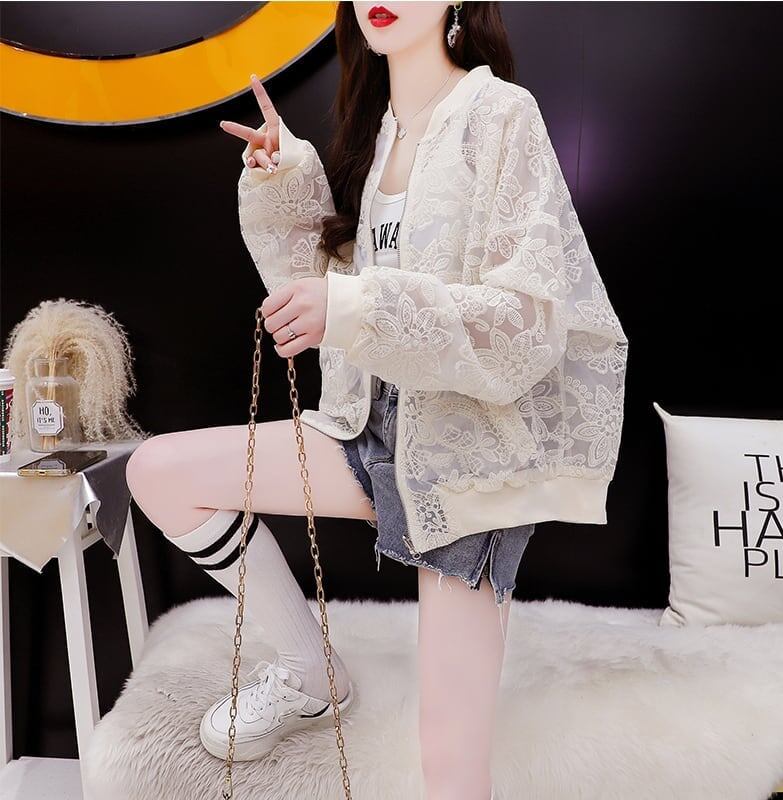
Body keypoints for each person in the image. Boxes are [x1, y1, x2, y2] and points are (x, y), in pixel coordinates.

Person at [125, 3, 628, 799]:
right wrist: (285, 182)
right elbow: (327, 294)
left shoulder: (500, 114)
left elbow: (526, 321)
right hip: (366, 427)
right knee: (158, 471)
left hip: (463, 452)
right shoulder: (382, 130)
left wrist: (352, 306)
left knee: (449, 761)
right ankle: (309, 669)